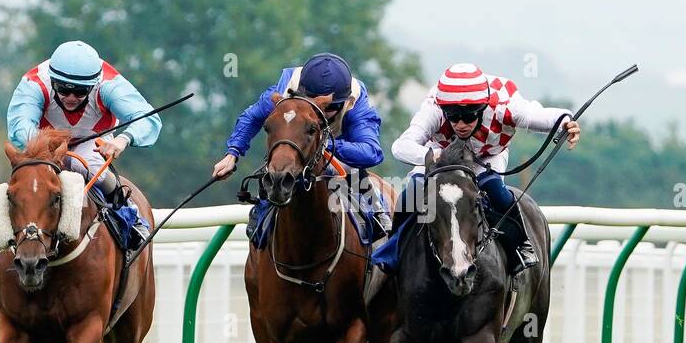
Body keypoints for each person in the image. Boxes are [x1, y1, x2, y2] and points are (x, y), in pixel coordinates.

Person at [375, 62, 579, 276]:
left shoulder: (506, 105)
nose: (461, 124)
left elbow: (536, 116)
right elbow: (400, 146)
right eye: (453, 116)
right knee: (412, 193)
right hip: (441, 154)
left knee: (496, 193)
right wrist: (434, 155)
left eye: (469, 116)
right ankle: (393, 248)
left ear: (482, 109)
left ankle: (520, 246)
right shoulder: (434, 107)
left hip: (487, 154)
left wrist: (566, 120)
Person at [0, 40, 160, 255]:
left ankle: (128, 214)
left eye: (80, 92)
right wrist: (51, 148)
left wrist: (122, 140)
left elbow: (148, 119)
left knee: (85, 165)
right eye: (63, 90)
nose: (71, 98)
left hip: (91, 141)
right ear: (53, 81)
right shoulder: (35, 83)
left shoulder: (109, 84)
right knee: (30, 177)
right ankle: (0, 227)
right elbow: (20, 128)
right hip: (44, 142)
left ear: (94, 85)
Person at [212, 52, 387, 240]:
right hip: (296, 152)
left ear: (345, 101)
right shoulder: (287, 88)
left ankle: (379, 219)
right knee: (273, 173)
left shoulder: (357, 101)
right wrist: (232, 153)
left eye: (328, 108)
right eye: (313, 105)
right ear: (302, 93)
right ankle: (261, 222)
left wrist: (323, 143)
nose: (321, 114)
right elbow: (252, 117)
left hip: (338, 154)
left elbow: (372, 152)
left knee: (357, 174)